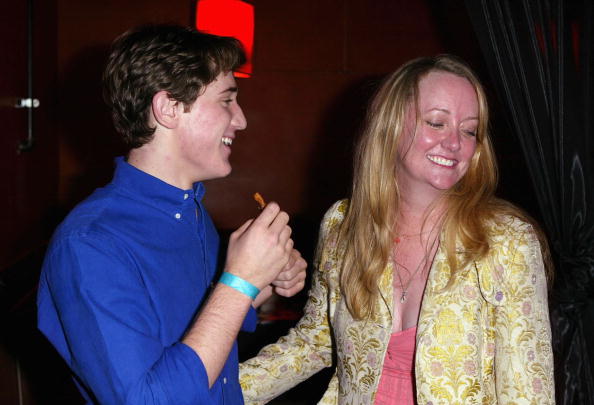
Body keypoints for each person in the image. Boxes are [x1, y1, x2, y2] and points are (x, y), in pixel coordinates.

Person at [240, 55, 555, 404]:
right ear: (389, 125)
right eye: (436, 123)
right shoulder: (342, 224)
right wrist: (208, 390)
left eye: (469, 130)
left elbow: (529, 393)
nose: (455, 143)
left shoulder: (507, 242)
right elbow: (316, 341)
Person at [37, 24, 307, 404]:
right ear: (168, 108)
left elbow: (195, 329)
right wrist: (239, 281)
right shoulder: (90, 244)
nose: (241, 119)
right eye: (227, 100)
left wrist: (262, 280)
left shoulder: (190, 214)